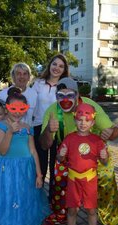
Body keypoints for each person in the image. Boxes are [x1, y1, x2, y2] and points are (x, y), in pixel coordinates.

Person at [38, 77, 118, 225]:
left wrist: (111, 133)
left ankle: (113, 222)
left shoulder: (91, 106)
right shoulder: (52, 111)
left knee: (106, 180)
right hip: (67, 153)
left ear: (77, 95)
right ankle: (59, 215)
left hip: (94, 153)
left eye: (70, 95)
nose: (65, 100)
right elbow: (44, 145)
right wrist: (48, 131)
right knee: (58, 179)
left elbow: (115, 132)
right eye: (60, 95)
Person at [0, 87, 50, 225]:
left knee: (24, 199)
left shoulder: (27, 127)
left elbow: (33, 151)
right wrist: (10, 132)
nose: (17, 112)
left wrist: (39, 174)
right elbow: (2, 150)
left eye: (22, 108)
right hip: (7, 169)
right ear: (6, 108)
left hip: (26, 168)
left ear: (26, 109)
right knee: (8, 199)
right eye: (13, 108)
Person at [57, 103, 109, 225]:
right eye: (80, 120)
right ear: (75, 120)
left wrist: (104, 157)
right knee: (72, 210)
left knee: (91, 210)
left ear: (92, 123)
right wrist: (61, 154)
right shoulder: (69, 138)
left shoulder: (97, 141)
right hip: (73, 180)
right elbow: (59, 159)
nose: (83, 123)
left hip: (90, 180)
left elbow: (104, 162)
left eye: (87, 120)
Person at [31, 54, 70, 197]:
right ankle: (37, 197)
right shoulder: (39, 83)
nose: (57, 68)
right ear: (50, 65)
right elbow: (31, 105)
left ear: (64, 69)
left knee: (56, 165)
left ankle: (54, 200)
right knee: (40, 165)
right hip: (39, 128)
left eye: (61, 66)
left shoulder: (66, 86)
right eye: (55, 64)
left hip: (59, 130)